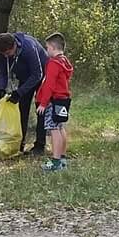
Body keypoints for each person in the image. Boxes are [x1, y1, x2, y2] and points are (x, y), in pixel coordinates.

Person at [0, 31, 48, 156]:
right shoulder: (2, 52)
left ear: (14, 46)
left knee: (41, 109)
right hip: (25, 77)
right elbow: (3, 72)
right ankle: (19, 143)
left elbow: (37, 74)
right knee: (22, 109)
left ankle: (40, 145)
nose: (6, 56)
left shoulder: (28, 47)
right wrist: (1, 89)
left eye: (8, 53)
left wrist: (19, 92)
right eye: (4, 54)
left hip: (43, 75)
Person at [34, 32, 74, 171]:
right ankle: (62, 159)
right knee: (60, 127)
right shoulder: (65, 62)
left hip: (53, 100)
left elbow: (49, 84)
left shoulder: (53, 63)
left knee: (53, 129)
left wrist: (43, 103)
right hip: (63, 99)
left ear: (52, 47)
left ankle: (56, 162)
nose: (46, 50)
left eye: (47, 47)